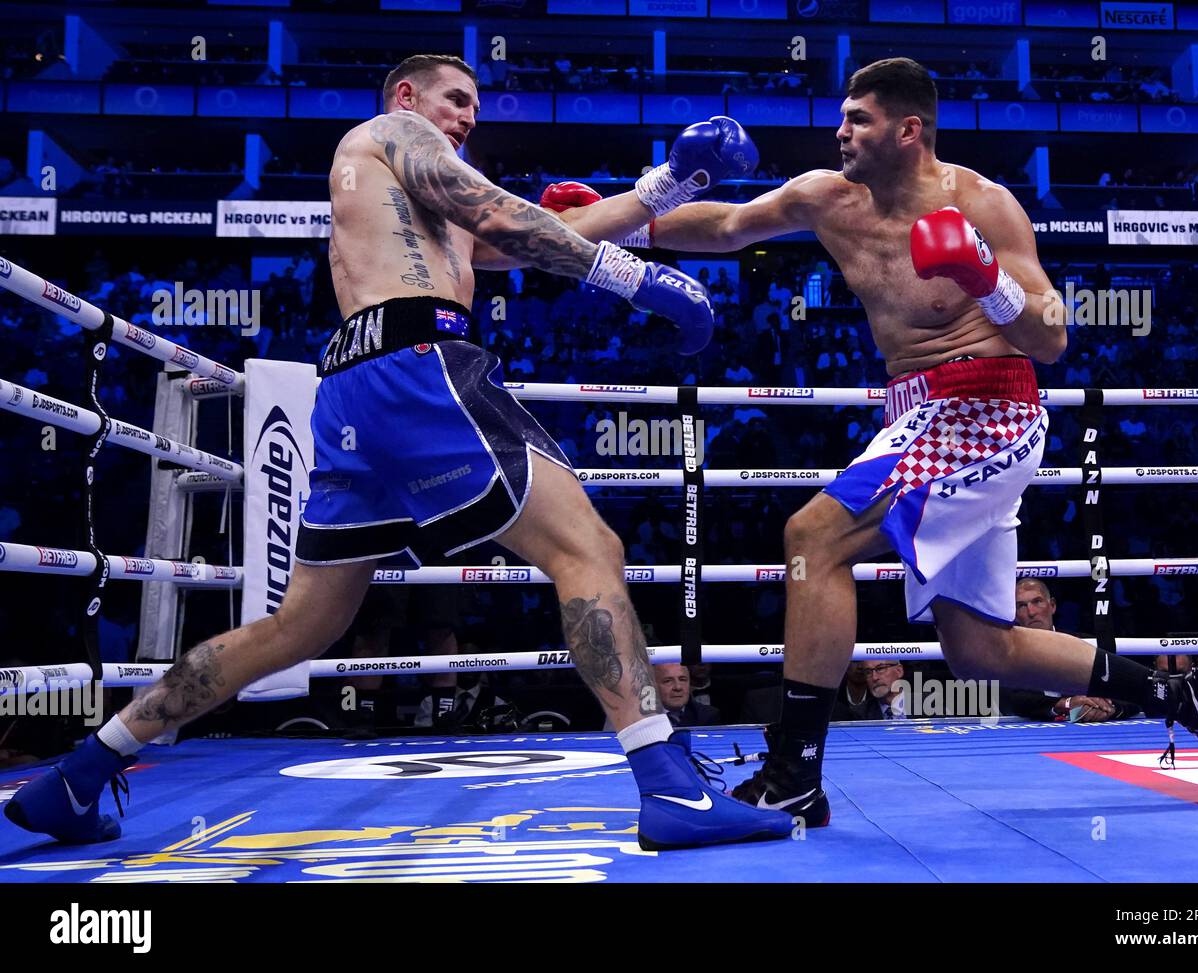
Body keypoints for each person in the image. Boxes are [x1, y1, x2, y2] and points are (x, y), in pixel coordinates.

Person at [6, 53, 792, 852]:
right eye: (458, 99)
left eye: (474, 106)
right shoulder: (395, 130)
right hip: (418, 366)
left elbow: (520, 236)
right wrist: (632, 279)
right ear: (409, 95)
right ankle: (668, 788)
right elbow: (501, 215)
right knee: (587, 546)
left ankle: (80, 770)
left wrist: (670, 184)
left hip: (353, 392)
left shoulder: (409, 200)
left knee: (297, 627)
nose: (468, 116)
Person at [651, 56, 1198, 824]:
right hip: (915, 411)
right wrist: (627, 220)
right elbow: (728, 226)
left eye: (858, 119)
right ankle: (1186, 693)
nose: (839, 131)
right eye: (842, 117)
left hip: (985, 404)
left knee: (814, 533)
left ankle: (792, 769)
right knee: (981, 649)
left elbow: (1052, 339)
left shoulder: (982, 203)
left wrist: (984, 279)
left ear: (909, 130)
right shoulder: (827, 198)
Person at [1002, 579, 1135, 722]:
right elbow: (1012, 700)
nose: (1031, 612)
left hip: (1092, 734)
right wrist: (1065, 705)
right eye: (1021, 605)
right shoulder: (1009, 652)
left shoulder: (1086, 644)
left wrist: (1109, 709)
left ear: (1052, 605)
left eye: (1037, 602)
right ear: (1014, 614)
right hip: (1031, 735)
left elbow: (1131, 691)